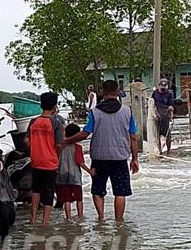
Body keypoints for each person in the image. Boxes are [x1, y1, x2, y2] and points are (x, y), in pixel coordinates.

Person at [66, 80, 139, 221]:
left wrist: (66, 141)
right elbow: (133, 138)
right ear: (117, 92)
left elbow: (84, 134)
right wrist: (135, 159)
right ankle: (119, 222)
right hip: (120, 157)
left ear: (102, 92)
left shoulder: (94, 112)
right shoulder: (127, 111)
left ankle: (101, 218)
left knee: (98, 190)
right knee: (120, 192)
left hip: (99, 157)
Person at [25, 92, 64, 227]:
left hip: (36, 161)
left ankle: (33, 217)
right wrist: (55, 154)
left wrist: (35, 149)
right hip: (50, 162)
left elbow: (26, 141)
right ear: (54, 106)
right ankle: (45, 222)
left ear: (41, 105)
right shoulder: (56, 123)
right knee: (48, 191)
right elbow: (59, 144)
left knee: (36, 190)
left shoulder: (33, 122)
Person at [56, 124, 93, 221]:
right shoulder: (78, 147)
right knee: (79, 199)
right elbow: (80, 162)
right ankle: (80, 217)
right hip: (75, 176)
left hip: (62, 175)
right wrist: (90, 172)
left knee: (66, 199)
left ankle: (68, 218)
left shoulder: (60, 147)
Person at [151, 78, 174, 155]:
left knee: (167, 134)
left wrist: (170, 107)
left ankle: (168, 151)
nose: (163, 88)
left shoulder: (169, 94)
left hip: (166, 116)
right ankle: (160, 151)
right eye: (161, 86)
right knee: (157, 134)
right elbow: (151, 103)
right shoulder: (154, 93)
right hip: (156, 115)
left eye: (164, 86)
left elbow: (171, 105)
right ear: (159, 86)